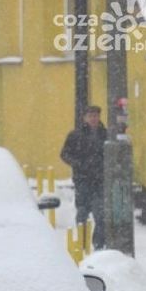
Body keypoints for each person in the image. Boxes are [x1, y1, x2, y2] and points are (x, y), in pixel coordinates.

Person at [60, 105, 108, 247]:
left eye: (96, 115)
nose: (94, 118)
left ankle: (98, 244)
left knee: (100, 214)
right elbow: (64, 154)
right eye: (90, 116)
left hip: (100, 180)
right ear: (85, 118)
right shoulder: (75, 135)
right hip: (83, 180)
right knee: (82, 212)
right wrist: (79, 164)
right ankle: (82, 243)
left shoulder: (105, 134)